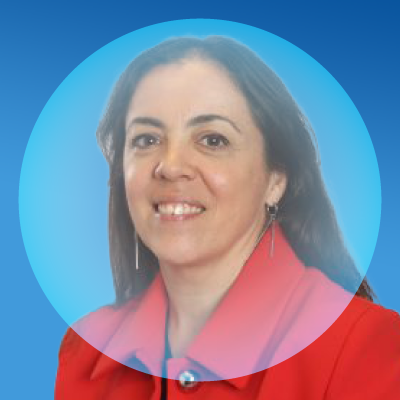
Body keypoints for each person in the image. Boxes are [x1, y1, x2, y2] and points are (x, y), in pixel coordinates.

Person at [55, 36, 400, 399]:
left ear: (276, 180)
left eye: (212, 140)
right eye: (146, 140)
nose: (170, 166)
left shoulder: (367, 347)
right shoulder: (86, 350)